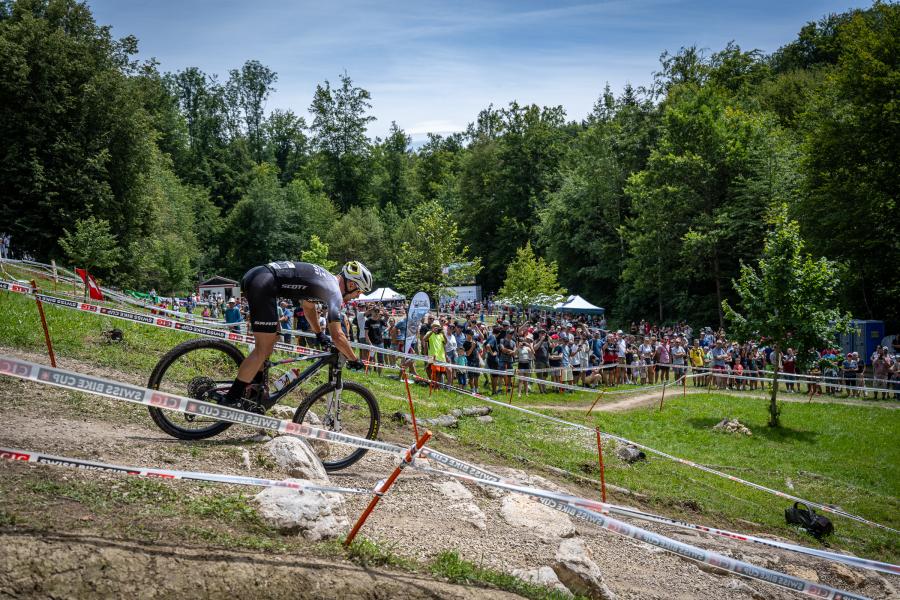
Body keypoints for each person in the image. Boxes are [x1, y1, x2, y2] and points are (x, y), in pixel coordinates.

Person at [220, 260, 371, 406]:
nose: (357, 296)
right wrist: (354, 358)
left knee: (273, 338)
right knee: (262, 349)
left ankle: (255, 388)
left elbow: (308, 307)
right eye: (358, 291)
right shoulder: (334, 292)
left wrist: (319, 334)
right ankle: (231, 398)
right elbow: (338, 336)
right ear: (351, 284)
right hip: (265, 283)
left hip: (260, 277)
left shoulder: (325, 281)